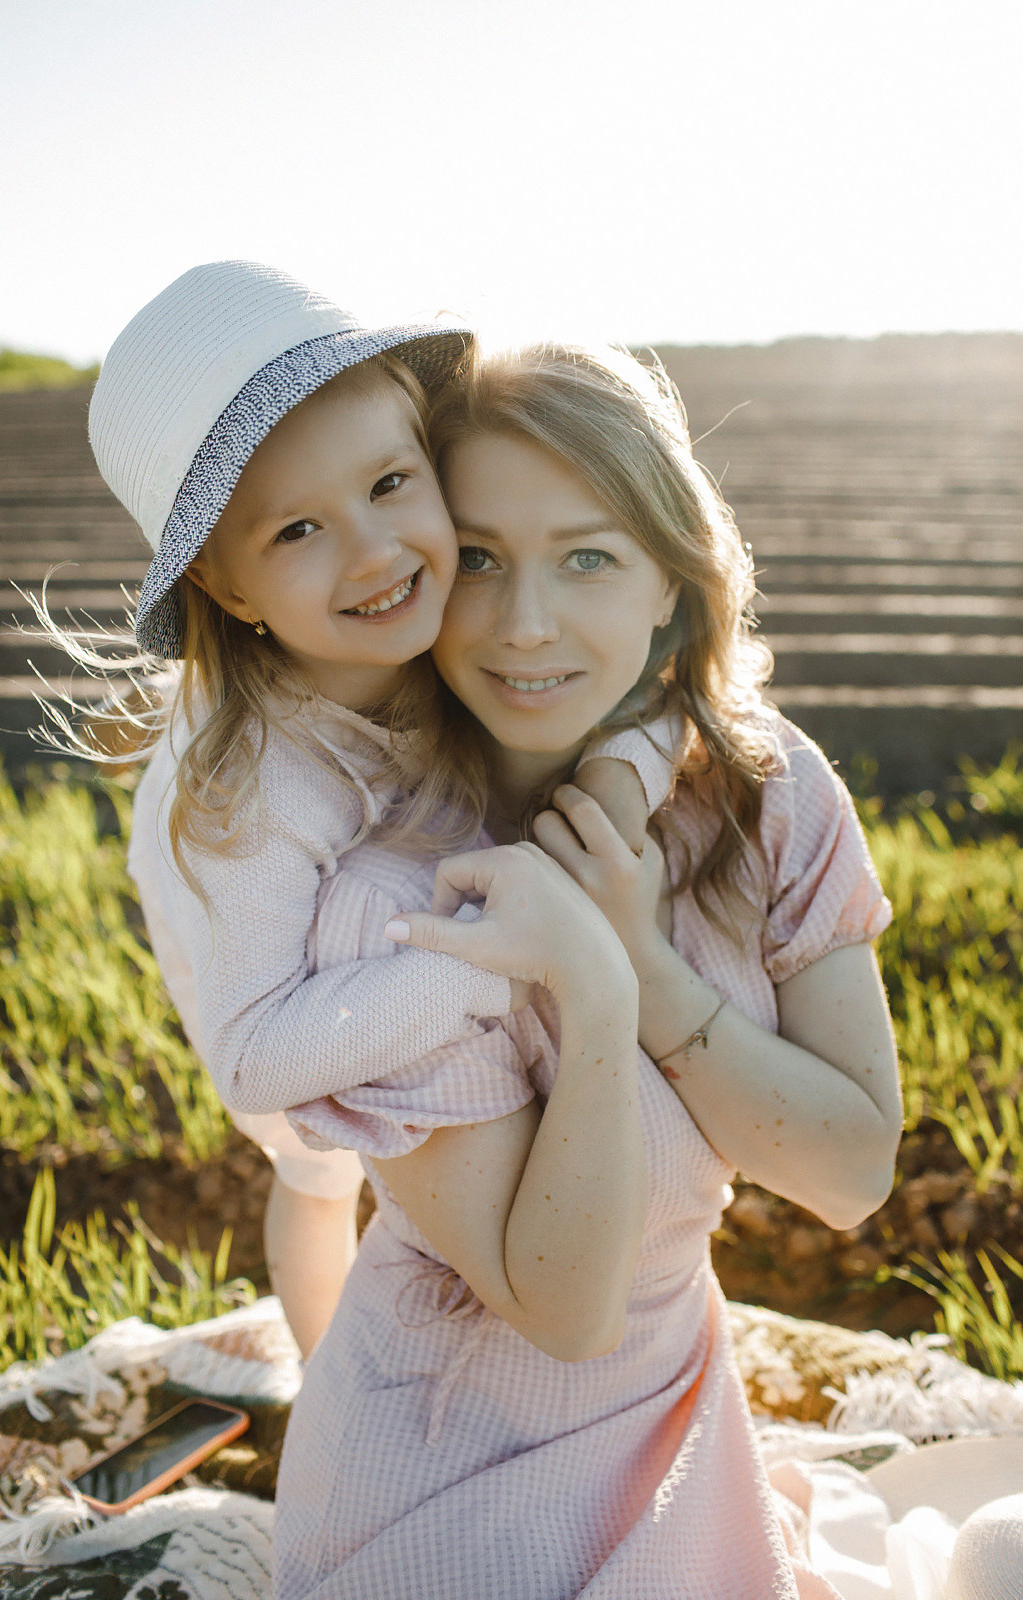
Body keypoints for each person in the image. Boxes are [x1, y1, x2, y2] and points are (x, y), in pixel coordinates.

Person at [272, 341, 903, 1597]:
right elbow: (564, 1311)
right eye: (481, 560)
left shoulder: (765, 799)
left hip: (675, 1414)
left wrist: (643, 964)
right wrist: (595, 987)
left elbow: (850, 1172)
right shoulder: (388, 893)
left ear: (670, 586)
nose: (525, 625)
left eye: (589, 557)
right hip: (446, 1460)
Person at [77, 261, 668, 1354]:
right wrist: (491, 959)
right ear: (225, 585)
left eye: (391, 484)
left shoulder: (442, 624)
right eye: (296, 531)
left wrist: (627, 777)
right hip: (273, 989)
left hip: (396, 935)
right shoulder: (247, 793)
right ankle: (325, 1387)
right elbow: (250, 1052)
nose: (374, 550)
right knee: (313, 1173)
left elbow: (658, 700)